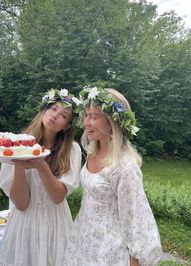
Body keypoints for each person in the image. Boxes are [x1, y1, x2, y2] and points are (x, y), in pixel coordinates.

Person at [63, 86, 162, 266]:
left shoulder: (124, 167)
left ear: (112, 121)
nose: (86, 123)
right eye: (86, 115)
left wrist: (135, 260)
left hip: (109, 252)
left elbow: (136, 218)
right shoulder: (93, 152)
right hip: (84, 240)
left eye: (94, 116)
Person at [0, 88, 82, 266]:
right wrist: (19, 161)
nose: (55, 115)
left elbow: (58, 197)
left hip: (56, 223)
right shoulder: (15, 144)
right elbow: (21, 204)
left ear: (66, 126)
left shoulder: (71, 150)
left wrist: (42, 166)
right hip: (25, 224)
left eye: (64, 115)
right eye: (53, 109)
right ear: (44, 110)